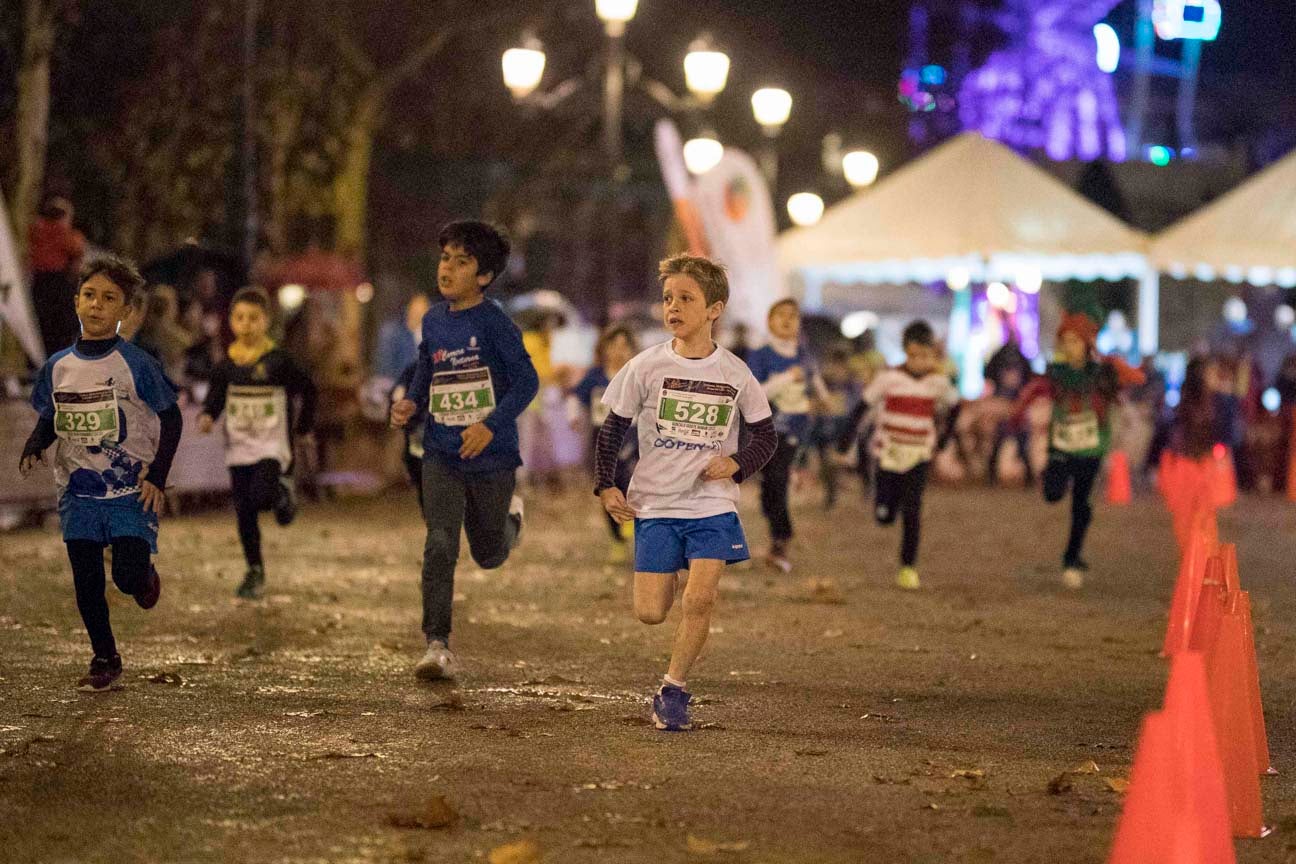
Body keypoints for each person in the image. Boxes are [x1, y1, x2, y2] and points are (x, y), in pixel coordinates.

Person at [595, 254, 777, 732]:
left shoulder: (736, 373)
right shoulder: (646, 366)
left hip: (712, 505)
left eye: (686, 298)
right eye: (668, 298)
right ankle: (674, 574)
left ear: (714, 308)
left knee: (700, 601)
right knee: (652, 611)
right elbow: (612, 428)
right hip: (655, 503)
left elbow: (766, 438)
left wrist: (736, 465)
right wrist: (605, 483)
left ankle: (673, 691)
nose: (673, 307)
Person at [18, 255, 181, 691]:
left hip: (129, 491)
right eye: (89, 295)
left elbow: (173, 417)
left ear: (125, 311)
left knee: (126, 578)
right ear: (76, 302)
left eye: (109, 298)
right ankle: (104, 657)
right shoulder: (57, 366)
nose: (96, 305)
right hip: (77, 491)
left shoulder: (138, 364)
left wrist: (157, 476)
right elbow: (53, 413)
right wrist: (36, 443)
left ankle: (145, 578)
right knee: (86, 581)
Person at [390, 221, 538, 681]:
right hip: (441, 453)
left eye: (462, 261)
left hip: (491, 458)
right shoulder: (434, 320)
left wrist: (490, 426)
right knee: (439, 544)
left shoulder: (496, 323)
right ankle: (437, 645)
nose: (447, 268)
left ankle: (511, 521)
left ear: (484, 276)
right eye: (444, 258)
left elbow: (526, 382)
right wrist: (412, 401)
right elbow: (426, 370)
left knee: (489, 554)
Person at [198, 288, 318, 599]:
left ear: (266, 321)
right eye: (239, 318)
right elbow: (215, 397)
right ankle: (254, 569)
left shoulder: (278, 361)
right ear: (231, 322)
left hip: (271, 446)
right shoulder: (227, 364)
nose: (246, 324)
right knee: (244, 511)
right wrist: (208, 416)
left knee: (261, 496)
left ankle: (281, 495)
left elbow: (309, 389)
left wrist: (303, 427)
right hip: (238, 448)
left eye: (253, 318)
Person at [1015, 313, 1145, 589]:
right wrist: (1017, 413)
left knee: (1081, 506)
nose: (1069, 346)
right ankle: (1072, 553)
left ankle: (1072, 558)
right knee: (1052, 494)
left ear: (1087, 343)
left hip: (1091, 450)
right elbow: (1032, 391)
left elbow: (1134, 380)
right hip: (1061, 448)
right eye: (1065, 341)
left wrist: (1116, 367)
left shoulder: (1101, 375)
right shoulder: (1056, 374)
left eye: (1075, 341)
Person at [861, 321, 960, 590]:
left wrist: (944, 437)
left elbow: (954, 406)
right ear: (906, 351)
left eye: (926, 356)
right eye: (914, 356)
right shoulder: (888, 379)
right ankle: (884, 508)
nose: (920, 362)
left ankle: (908, 567)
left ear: (933, 355)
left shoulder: (938, 383)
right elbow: (863, 405)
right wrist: (846, 439)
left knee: (913, 510)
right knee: (885, 515)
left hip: (918, 455)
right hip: (887, 454)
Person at [746, 298, 819, 572]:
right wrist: (787, 378)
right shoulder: (760, 355)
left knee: (777, 478)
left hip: (795, 431)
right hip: (765, 430)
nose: (787, 320)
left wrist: (819, 398)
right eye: (781, 315)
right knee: (768, 487)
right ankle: (777, 532)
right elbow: (756, 394)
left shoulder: (805, 355)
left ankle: (782, 537)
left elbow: (815, 385)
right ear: (769, 322)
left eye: (793, 316)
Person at [568, 324, 640, 564]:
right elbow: (574, 397)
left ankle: (631, 524)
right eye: (614, 346)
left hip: (634, 442)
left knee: (633, 486)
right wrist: (573, 417)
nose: (619, 351)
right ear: (604, 349)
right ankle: (617, 539)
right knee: (607, 491)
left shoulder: (638, 375)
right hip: (602, 446)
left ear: (632, 350)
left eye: (624, 346)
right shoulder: (595, 376)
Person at [1158, 356, 1238, 555]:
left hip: (1205, 462)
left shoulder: (1219, 401)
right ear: (1200, 376)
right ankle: (1192, 556)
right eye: (1210, 373)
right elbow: (1173, 434)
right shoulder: (1189, 403)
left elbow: (1226, 432)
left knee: (1205, 513)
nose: (1215, 377)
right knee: (1186, 514)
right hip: (1187, 463)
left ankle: (1202, 555)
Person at [27, 196, 87, 356]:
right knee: (62, 327)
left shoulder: (36, 229)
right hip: (58, 282)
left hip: (38, 281)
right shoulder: (64, 233)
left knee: (40, 324)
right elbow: (77, 249)